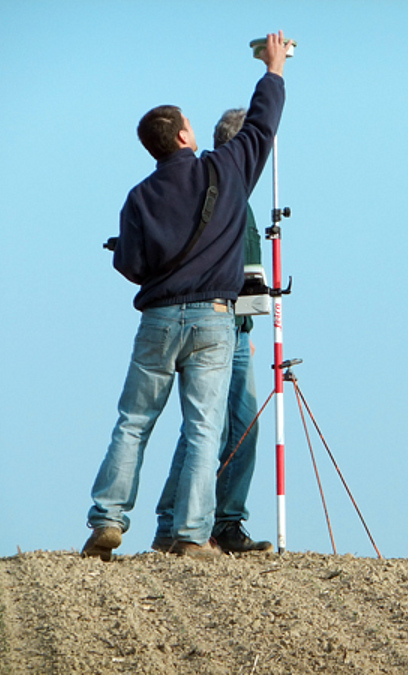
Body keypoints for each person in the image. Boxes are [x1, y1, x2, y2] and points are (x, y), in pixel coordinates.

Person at [81, 32, 289, 561]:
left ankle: (107, 520)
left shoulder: (139, 196)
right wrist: (274, 67)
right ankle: (193, 535)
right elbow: (262, 123)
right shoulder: (223, 169)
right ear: (182, 138)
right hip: (215, 321)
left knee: (133, 422)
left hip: (157, 320)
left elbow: (131, 265)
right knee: (204, 428)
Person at [152, 108, 271, 555]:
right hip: (216, 324)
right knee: (206, 429)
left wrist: (245, 322)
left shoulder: (238, 196)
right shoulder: (220, 192)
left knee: (241, 426)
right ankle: (173, 523)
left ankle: (226, 522)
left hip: (237, 327)